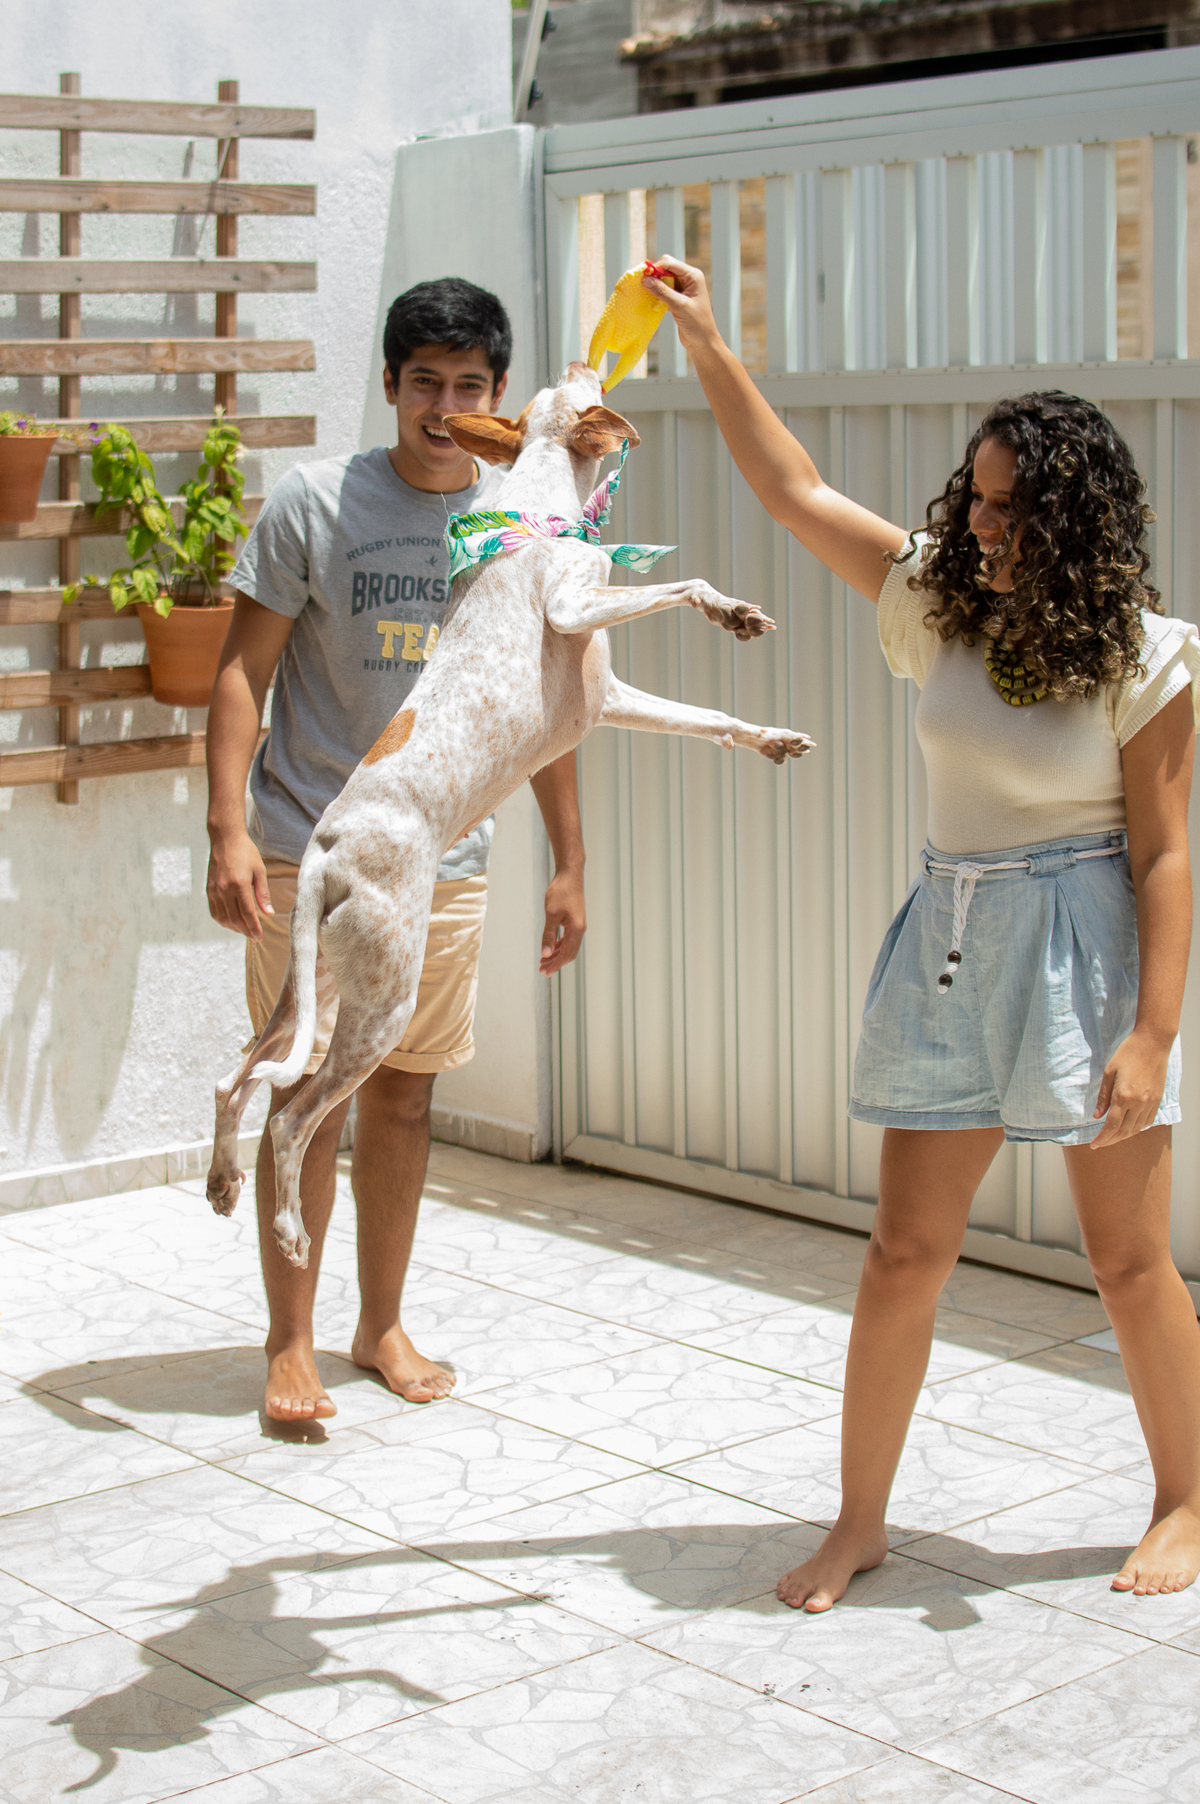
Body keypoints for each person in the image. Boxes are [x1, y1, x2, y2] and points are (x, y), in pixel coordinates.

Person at [646, 254, 1200, 1606]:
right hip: (950, 930)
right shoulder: (936, 596)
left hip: (1083, 938)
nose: (987, 524)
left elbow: (1168, 852)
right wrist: (711, 342)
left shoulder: (1146, 652)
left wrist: (1151, 1034)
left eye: (1013, 509)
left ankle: (1188, 1497)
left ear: (1076, 518)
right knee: (906, 1251)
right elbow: (793, 491)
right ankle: (860, 1520)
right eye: (981, 498)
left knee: (1127, 1259)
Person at [206, 278, 587, 1425]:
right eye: (424, 380)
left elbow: (546, 702)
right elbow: (239, 673)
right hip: (308, 855)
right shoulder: (315, 505)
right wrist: (226, 828)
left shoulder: (523, 526)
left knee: (404, 1100)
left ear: (501, 399)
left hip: (446, 860)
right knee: (307, 1097)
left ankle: (379, 1325)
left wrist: (569, 856)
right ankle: (290, 1342)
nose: (444, 403)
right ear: (389, 384)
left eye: (469, 384)